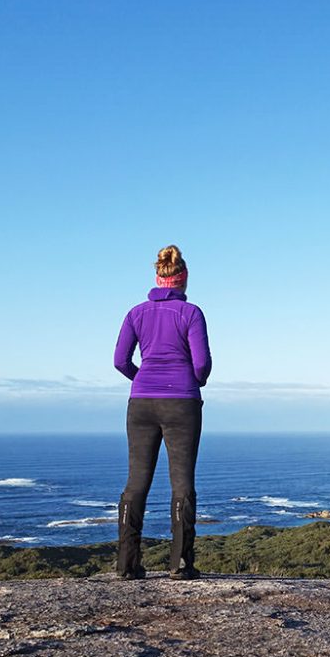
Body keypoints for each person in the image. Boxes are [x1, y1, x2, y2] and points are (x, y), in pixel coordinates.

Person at [113, 245, 211, 580]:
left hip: (140, 402)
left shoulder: (135, 313)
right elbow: (202, 364)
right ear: (183, 281)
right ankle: (180, 565)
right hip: (182, 402)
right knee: (181, 482)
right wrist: (195, 379)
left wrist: (141, 377)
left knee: (136, 481)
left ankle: (126, 565)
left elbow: (119, 361)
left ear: (158, 278)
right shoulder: (192, 313)